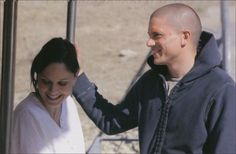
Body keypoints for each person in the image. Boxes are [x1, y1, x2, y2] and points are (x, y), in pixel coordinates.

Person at [73, 3, 236, 154]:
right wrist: (78, 77)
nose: (149, 42)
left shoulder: (221, 89)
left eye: (157, 35)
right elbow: (110, 121)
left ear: (185, 37)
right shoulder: (150, 83)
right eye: (149, 35)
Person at [11, 38, 85, 153]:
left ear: (75, 78)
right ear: (37, 76)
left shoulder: (68, 104)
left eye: (62, 83)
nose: (53, 91)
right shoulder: (26, 115)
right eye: (46, 81)